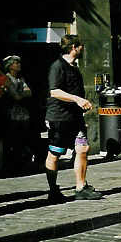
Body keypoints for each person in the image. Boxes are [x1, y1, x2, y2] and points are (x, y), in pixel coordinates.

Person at [44, 34, 102, 202]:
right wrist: (78, 99)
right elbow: (54, 91)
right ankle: (53, 190)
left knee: (83, 149)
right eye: (80, 46)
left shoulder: (74, 67)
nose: (83, 48)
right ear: (74, 47)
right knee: (55, 154)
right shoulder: (57, 66)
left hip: (75, 118)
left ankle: (80, 186)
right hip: (59, 118)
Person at [3, 55, 33, 169]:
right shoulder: (7, 78)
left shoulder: (21, 78)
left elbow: (29, 92)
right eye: (16, 63)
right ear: (10, 66)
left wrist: (20, 94)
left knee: (23, 137)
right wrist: (20, 94)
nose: (19, 65)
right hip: (12, 113)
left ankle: (22, 161)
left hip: (23, 113)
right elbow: (15, 96)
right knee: (13, 138)